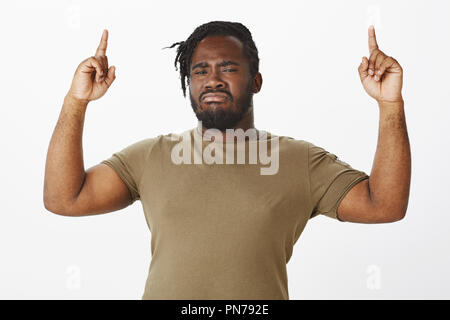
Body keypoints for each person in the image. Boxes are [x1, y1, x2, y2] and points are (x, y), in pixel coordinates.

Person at [43, 21, 411, 300]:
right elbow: (65, 199)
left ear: (256, 81)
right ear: (188, 83)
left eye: (229, 68)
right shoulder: (150, 156)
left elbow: (385, 205)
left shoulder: (300, 161)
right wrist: (76, 101)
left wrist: (389, 103)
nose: (213, 79)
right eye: (200, 70)